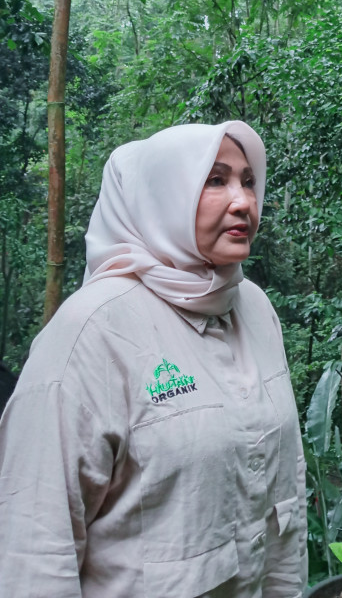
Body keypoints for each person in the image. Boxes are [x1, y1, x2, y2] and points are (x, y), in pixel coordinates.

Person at [0, 121, 307, 598]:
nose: (243, 201)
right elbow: (37, 552)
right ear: (165, 195)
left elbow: (285, 503)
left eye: (248, 180)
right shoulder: (91, 331)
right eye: (215, 180)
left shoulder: (256, 310)